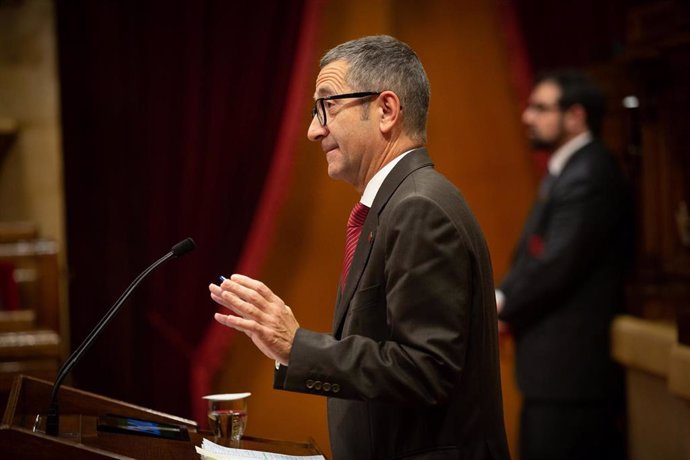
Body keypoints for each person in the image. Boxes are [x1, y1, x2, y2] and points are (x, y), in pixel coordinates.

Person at [209, 35, 510, 460]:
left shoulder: (419, 207)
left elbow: (425, 370)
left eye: (327, 106)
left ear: (386, 110)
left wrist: (298, 346)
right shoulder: (399, 203)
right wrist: (289, 349)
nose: (314, 130)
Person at [496, 70, 633, 460]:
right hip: (556, 374)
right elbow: (535, 255)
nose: (527, 116)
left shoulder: (589, 173)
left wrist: (500, 302)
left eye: (541, 108)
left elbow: (555, 263)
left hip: (573, 378)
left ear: (575, 116)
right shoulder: (572, 170)